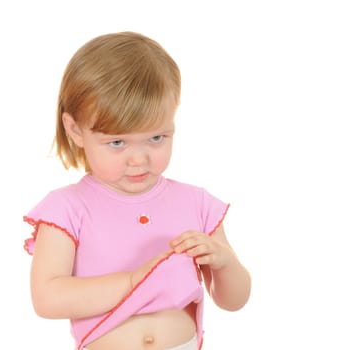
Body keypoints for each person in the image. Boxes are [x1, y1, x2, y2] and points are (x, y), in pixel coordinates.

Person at [23, 31, 251, 350]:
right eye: (117, 142)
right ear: (75, 130)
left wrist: (224, 263)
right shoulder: (66, 208)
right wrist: (134, 282)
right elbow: (47, 299)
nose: (139, 159)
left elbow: (233, 301)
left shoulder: (197, 203)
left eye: (157, 138)